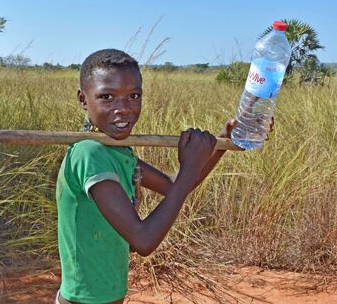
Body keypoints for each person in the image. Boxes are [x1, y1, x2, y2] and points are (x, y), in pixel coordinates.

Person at [55, 49, 238, 304]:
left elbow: (179, 186)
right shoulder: (89, 153)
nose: (124, 109)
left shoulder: (115, 151)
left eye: (134, 96)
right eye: (107, 96)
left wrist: (220, 142)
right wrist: (188, 168)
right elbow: (143, 240)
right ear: (83, 99)